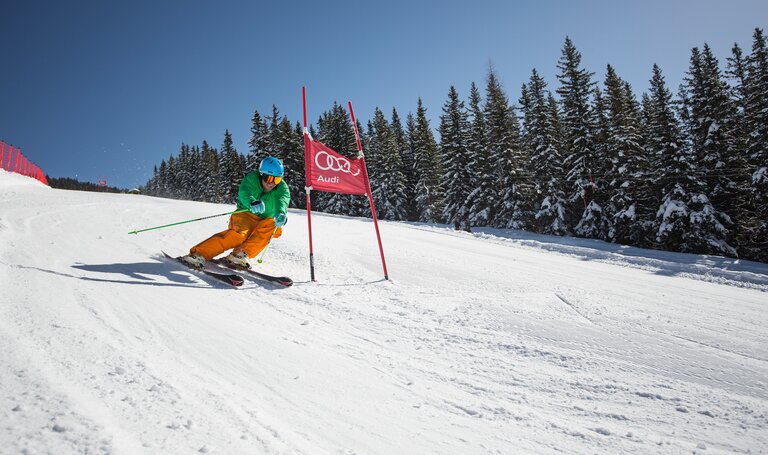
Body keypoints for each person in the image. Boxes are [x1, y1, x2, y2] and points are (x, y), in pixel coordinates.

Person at [181, 156, 290, 269]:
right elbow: (244, 192)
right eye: (269, 178)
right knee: (238, 235)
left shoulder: (282, 188)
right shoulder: (252, 178)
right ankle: (198, 254)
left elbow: (282, 200)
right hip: (245, 214)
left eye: (276, 179)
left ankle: (239, 255)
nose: (272, 183)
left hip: (264, 220)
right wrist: (252, 202)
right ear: (261, 174)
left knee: (273, 226)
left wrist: (281, 213)